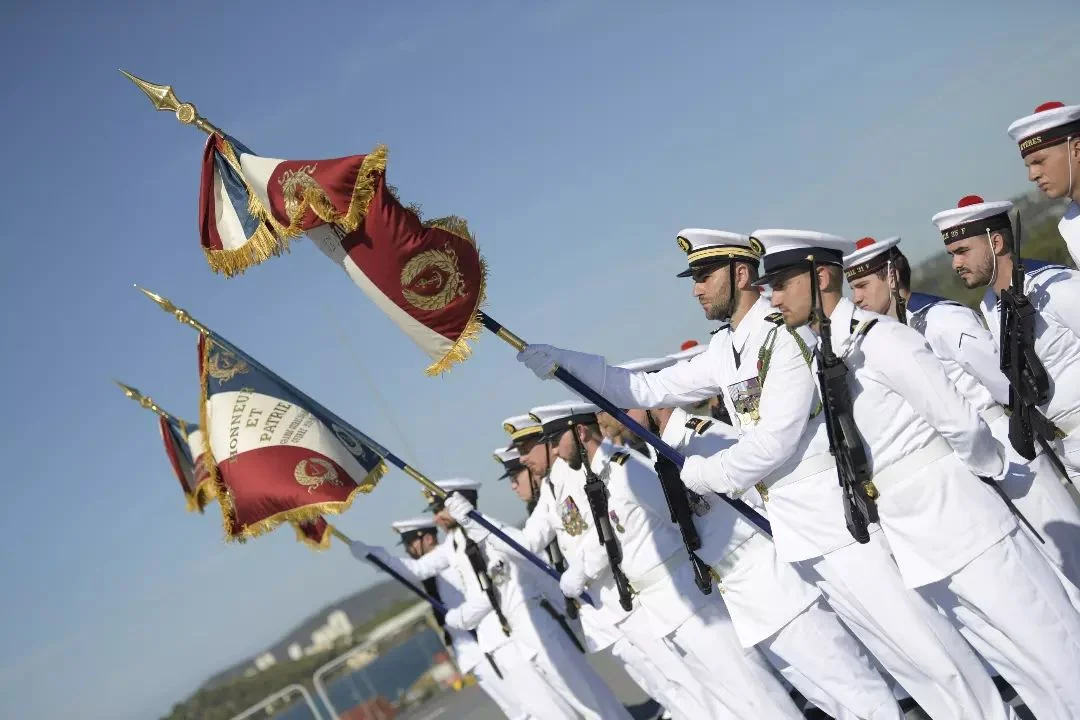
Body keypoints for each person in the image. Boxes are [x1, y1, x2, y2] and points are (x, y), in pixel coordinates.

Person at [516, 228, 1010, 719]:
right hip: (802, 532)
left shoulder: (781, 334)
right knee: (908, 666)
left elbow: (777, 438)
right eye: (695, 278)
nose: (696, 288)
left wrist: (711, 474)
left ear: (741, 273)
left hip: (838, 521)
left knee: (932, 655)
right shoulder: (726, 350)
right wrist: (566, 363)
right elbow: (644, 389)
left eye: (705, 275)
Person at [757, 228, 1080, 720]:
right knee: (1021, 669)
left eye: (781, 283)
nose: (773, 298)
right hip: (915, 543)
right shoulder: (829, 353)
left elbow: (960, 423)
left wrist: (984, 481)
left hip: (962, 521)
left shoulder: (882, 338)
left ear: (821, 276)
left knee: (1054, 646)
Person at [488, 401, 810, 719]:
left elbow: (677, 520)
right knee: (726, 700)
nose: (555, 452)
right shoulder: (596, 476)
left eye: (556, 441)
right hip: (658, 607)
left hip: (684, 594)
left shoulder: (625, 466)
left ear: (580, 431)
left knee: (753, 692)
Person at [843, 234, 1080, 602]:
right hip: (969, 459)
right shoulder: (888, 336)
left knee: (1069, 553)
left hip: (1006, 444)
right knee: (1045, 578)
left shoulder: (941, 319)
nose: (855, 298)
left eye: (861, 285)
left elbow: (1006, 384)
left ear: (891, 276)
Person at [496, 414, 719, 720]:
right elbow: (529, 541)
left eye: (527, 448)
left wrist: (583, 568)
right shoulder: (550, 487)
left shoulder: (580, 472)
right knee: (661, 685)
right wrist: (480, 528)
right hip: (604, 611)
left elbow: (608, 529)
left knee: (683, 680)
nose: (524, 459)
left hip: (625, 595)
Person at [354, 478, 624, 719]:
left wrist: (461, 617)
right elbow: (417, 569)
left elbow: (495, 586)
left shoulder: (487, 532)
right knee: (552, 703)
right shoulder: (454, 544)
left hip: (536, 622)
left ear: (459, 503)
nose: (436, 519)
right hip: (516, 632)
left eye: (440, 509)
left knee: (584, 692)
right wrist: (377, 557)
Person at [933, 194, 1080, 486]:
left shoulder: (1055, 285)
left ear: (996, 243)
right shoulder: (990, 304)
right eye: (952, 255)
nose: (956, 264)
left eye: (962, 251)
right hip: (1066, 449)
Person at [351, 515, 525, 719]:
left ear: (427, 538)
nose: (408, 549)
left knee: (522, 706)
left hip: (487, 647)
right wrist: (373, 556)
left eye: (410, 543)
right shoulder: (434, 569)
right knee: (514, 710)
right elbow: (414, 570)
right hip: (472, 653)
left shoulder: (450, 560)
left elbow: (414, 571)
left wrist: (378, 557)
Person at [1006, 101, 1080, 266]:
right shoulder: (1070, 226)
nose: (1032, 175)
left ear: (1077, 150)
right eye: (1029, 166)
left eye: (1039, 161)